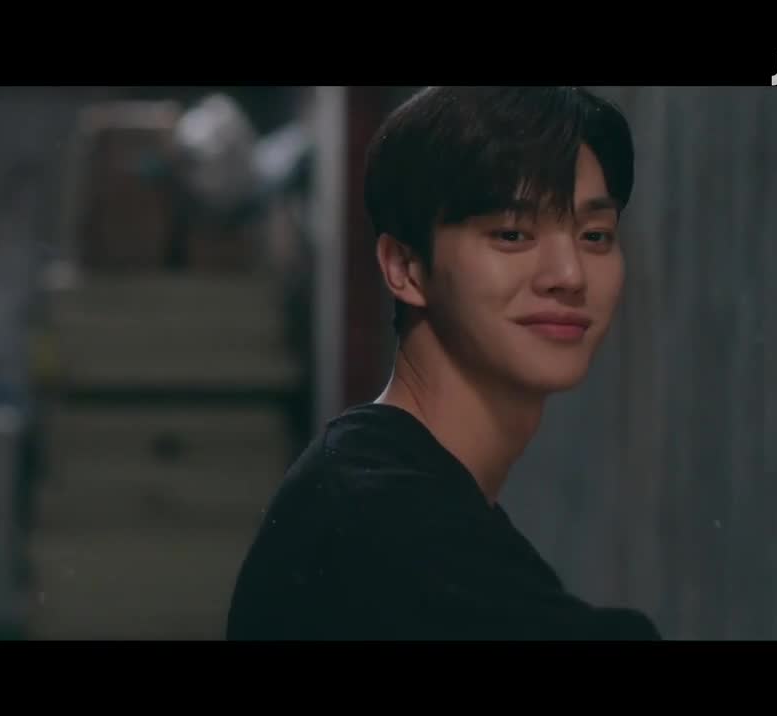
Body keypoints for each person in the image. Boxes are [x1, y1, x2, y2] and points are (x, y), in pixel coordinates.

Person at [225, 87, 661, 640]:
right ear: (404, 267)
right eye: (512, 234)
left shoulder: (410, 496)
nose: (570, 274)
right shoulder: (379, 524)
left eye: (595, 236)